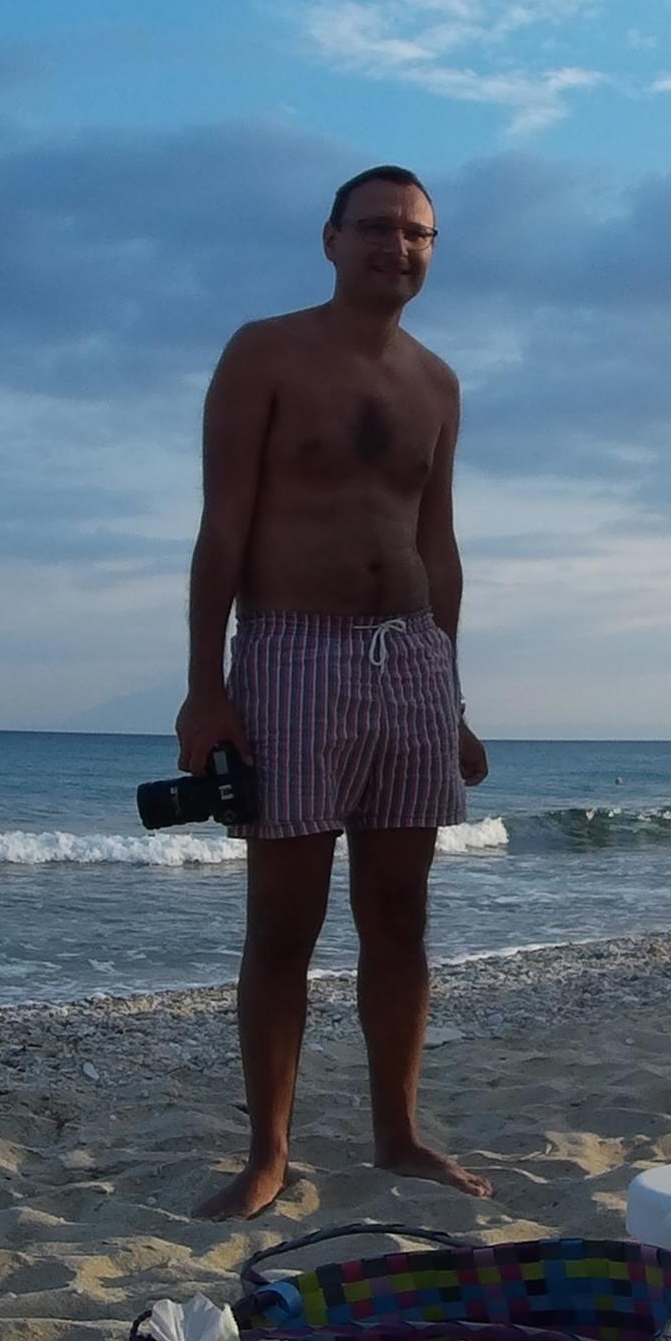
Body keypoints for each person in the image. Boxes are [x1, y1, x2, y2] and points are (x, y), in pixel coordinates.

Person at [175, 164, 493, 1220]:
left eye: (417, 234)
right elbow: (223, 526)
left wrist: (452, 699)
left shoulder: (436, 382)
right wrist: (205, 687)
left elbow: (438, 544)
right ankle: (268, 1152)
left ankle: (398, 1134)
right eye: (376, 228)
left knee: (400, 915)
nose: (396, 247)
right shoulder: (264, 352)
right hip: (292, 651)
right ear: (330, 238)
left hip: (410, 659)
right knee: (285, 919)